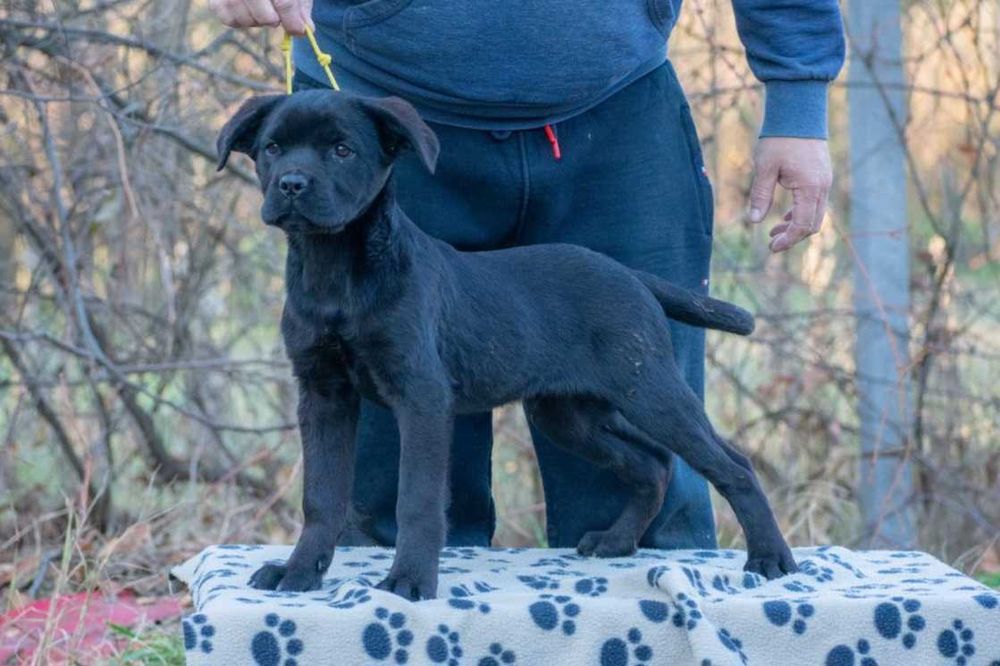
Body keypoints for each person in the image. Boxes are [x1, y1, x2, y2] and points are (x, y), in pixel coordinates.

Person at [210, 0, 845, 551]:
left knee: (641, 505)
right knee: (390, 524)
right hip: (375, 126)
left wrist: (797, 95)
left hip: (618, 118)